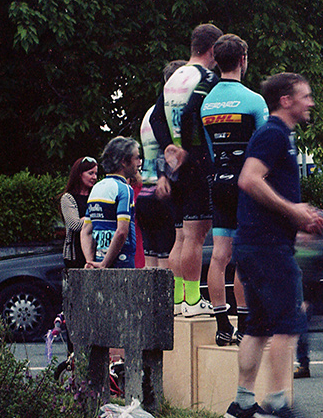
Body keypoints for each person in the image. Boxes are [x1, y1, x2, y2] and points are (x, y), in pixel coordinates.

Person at [224, 73, 323, 418]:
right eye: (305, 96)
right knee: (287, 322)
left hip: (257, 243)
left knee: (258, 326)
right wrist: (293, 211)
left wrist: (296, 223)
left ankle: (241, 404)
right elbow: (249, 179)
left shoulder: (279, 136)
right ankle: (278, 403)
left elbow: (263, 190)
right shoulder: (272, 134)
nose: (310, 102)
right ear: (286, 100)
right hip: (266, 247)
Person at [202, 35, 270, 347]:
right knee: (243, 257)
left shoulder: (207, 102)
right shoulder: (254, 100)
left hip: (219, 181)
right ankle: (244, 324)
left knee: (219, 255)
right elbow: (266, 148)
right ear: (242, 59)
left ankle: (221, 326)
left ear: (216, 60)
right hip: (246, 184)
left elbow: (210, 149)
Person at [154, 24, 222, 317]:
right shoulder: (206, 77)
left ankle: (179, 300)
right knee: (196, 235)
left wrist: (170, 148)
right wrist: (191, 154)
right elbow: (194, 112)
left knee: (181, 236)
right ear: (212, 50)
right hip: (194, 166)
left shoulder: (174, 78)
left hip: (174, 169)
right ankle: (193, 302)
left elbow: (157, 117)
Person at [135, 61, 182, 273]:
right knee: (168, 263)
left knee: (150, 262)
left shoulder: (149, 113)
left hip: (145, 193)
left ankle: (152, 306)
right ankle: (173, 305)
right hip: (164, 193)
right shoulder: (167, 114)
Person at [80, 138, 140, 269]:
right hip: (122, 262)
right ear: (124, 161)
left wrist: (90, 261)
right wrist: (104, 264)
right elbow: (122, 232)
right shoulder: (125, 189)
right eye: (136, 158)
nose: (139, 163)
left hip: (98, 260)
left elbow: (86, 231)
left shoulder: (96, 188)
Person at [60, 156, 98, 270]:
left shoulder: (96, 195)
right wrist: (96, 217)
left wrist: (84, 219)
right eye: (90, 173)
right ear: (79, 174)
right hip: (76, 255)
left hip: (95, 252)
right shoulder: (68, 198)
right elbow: (75, 225)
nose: (94, 177)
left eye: (96, 174)